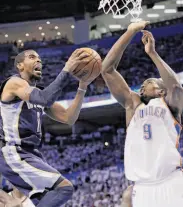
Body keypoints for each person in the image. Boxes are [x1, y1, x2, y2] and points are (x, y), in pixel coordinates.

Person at [0, 49, 96, 207]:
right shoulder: (14, 83)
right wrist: (67, 68)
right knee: (64, 189)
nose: (38, 61)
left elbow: (68, 118)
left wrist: (82, 87)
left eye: (39, 58)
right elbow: (45, 98)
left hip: (30, 154)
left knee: (48, 198)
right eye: (32, 57)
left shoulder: (36, 94)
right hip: (13, 152)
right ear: (20, 65)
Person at [102, 21, 183, 207]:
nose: (144, 83)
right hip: (142, 187)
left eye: (150, 81)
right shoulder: (132, 106)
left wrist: (152, 53)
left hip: (172, 180)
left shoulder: (169, 104)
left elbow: (176, 87)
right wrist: (129, 32)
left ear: (162, 91)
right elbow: (106, 69)